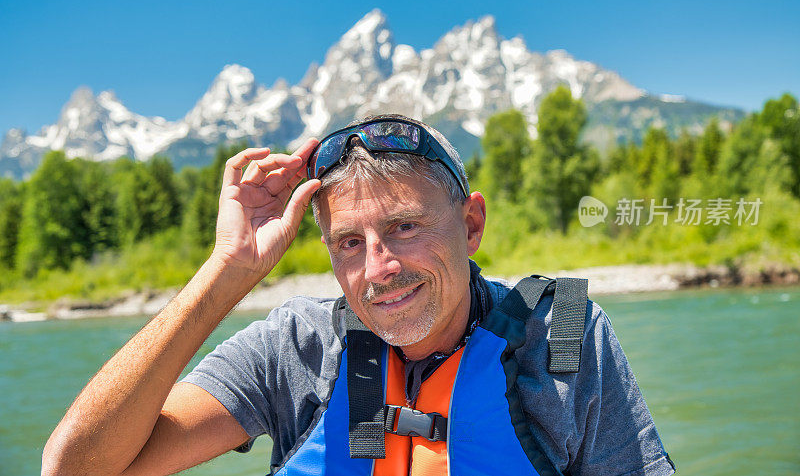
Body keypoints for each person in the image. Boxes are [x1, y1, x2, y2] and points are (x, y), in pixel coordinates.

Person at [42, 114, 675, 476]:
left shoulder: (562, 337)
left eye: (404, 227)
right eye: (349, 242)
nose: (378, 268)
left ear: (471, 224)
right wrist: (228, 271)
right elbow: (72, 469)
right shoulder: (294, 347)